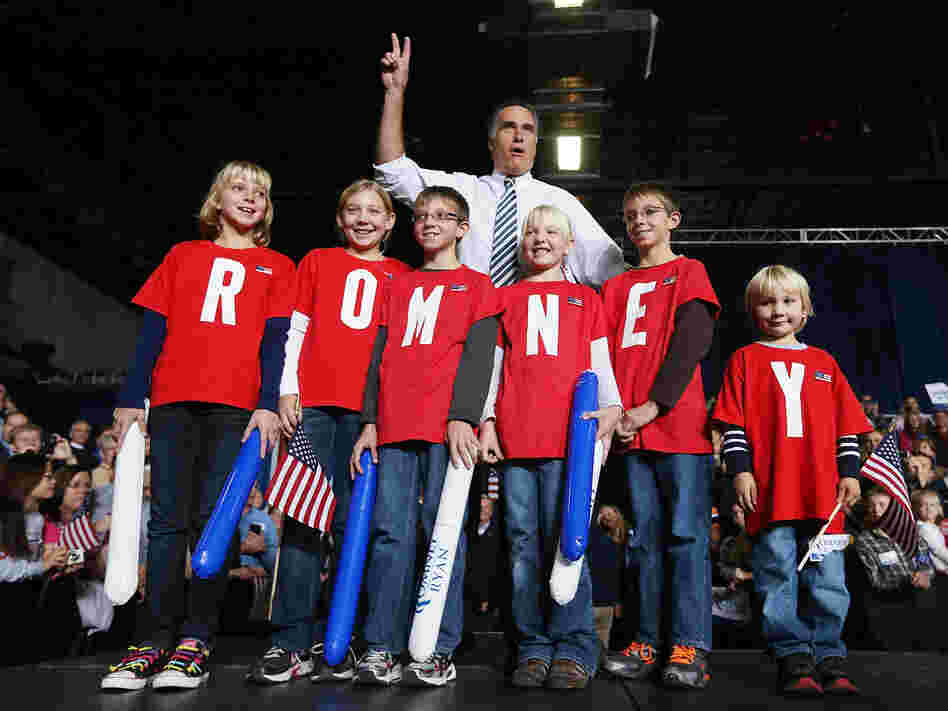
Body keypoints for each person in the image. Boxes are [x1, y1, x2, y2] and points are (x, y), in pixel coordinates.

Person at [99, 160, 295, 692]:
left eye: (260, 191)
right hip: (171, 400)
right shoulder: (183, 255)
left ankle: (197, 639)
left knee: (215, 520)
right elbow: (151, 332)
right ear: (217, 198)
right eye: (239, 187)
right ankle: (151, 639)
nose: (250, 197)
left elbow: (276, 342)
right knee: (165, 522)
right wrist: (131, 396)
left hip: (235, 405)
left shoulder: (278, 266)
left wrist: (267, 403)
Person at [247, 179, 412, 685]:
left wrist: (382, 415)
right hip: (315, 408)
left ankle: (350, 637)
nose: (363, 219)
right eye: (353, 211)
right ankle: (290, 641)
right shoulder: (317, 261)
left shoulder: (402, 275)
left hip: (369, 417)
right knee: (301, 523)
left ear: (389, 222)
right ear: (341, 220)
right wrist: (287, 389)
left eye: (374, 211)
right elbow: (297, 327)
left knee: (356, 527)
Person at [350, 185, 500, 687]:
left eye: (443, 216)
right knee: (390, 535)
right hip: (393, 426)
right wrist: (370, 421)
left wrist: (464, 416)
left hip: (447, 431)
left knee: (444, 537)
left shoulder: (478, 286)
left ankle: (437, 646)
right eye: (421, 216)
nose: (430, 223)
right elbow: (377, 358)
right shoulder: (398, 283)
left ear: (462, 227)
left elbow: (480, 358)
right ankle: (382, 647)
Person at [477, 204, 622, 688]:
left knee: (568, 543)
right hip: (519, 441)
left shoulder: (587, 300)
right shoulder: (506, 299)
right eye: (532, 231)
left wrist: (613, 406)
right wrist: (489, 421)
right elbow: (496, 369)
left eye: (552, 232)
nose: (541, 238)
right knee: (522, 546)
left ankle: (575, 645)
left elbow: (600, 364)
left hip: (571, 445)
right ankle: (532, 646)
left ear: (569, 243)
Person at [712, 264, 871, 696]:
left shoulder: (824, 363)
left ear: (805, 310)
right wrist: (742, 470)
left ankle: (830, 657)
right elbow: (735, 426)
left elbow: (845, 428)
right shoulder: (744, 360)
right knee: (776, 572)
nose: (777, 310)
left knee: (828, 579)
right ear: (752, 310)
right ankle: (792, 656)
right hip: (773, 491)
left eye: (787, 301)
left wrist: (850, 475)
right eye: (766, 301)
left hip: (823, 495)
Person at [374, 34, 624, 289]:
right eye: (509, 127)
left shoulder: (560, 202)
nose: (518, 135)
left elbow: (611, 268)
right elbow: (392, 172)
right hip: (471, 318)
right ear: (492, 142)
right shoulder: (460, 192)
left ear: (536, 145)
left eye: (527, 130)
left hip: (534, 320)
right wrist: (394, 92)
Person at [600, 184, 719, 690]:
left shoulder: (688, 271)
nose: (639, 221)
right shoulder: (613, 286)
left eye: (650, 212)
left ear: (673, 219)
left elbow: (692, 341)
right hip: (631, 434)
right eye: (630, 216)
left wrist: (653, 405)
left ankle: (689, 643)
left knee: (686, 538)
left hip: (676, 427)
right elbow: (600, 355)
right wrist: (616, 413)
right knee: (642, 540)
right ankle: (646, 638)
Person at [913, 489, 948, 574]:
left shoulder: (932, 526)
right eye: (923, 505)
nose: (928, 508)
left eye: (932, 505)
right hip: (940, 571)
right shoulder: (925, 529)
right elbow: (939, 550)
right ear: (918, 509)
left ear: (938, 508)